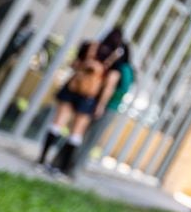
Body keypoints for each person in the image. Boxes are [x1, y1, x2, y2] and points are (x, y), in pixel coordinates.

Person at [39, 28, 127, 175]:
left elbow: (73, 64)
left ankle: (42, 159)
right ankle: (61, 167)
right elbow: (109, 85)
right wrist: (100, 105)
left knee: (57, 124)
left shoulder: (89, 46)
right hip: (89, 97)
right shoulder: (115, 59)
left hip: (72, 88)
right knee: (76, 133)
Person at [59, 28, 136, 178]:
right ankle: (69, 167)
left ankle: (66, 165)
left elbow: (109, 88)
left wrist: (100, 103)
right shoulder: (128, 70)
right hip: (109, 107)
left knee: (79, 134)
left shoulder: (118, 69)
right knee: (85, 137)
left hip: (102, 105)